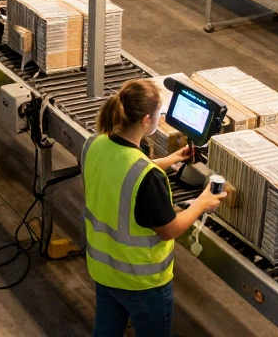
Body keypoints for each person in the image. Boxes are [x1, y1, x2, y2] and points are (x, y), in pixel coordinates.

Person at [82, 79, 226, 337]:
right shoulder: (147, 177)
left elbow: (119, 170)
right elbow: (170, 230)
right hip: (141, 282)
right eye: (159, 114)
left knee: (106, 330)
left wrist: (167, 160)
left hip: (104, 270)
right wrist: (202, 203)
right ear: (147, 121)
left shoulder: (94, 143)